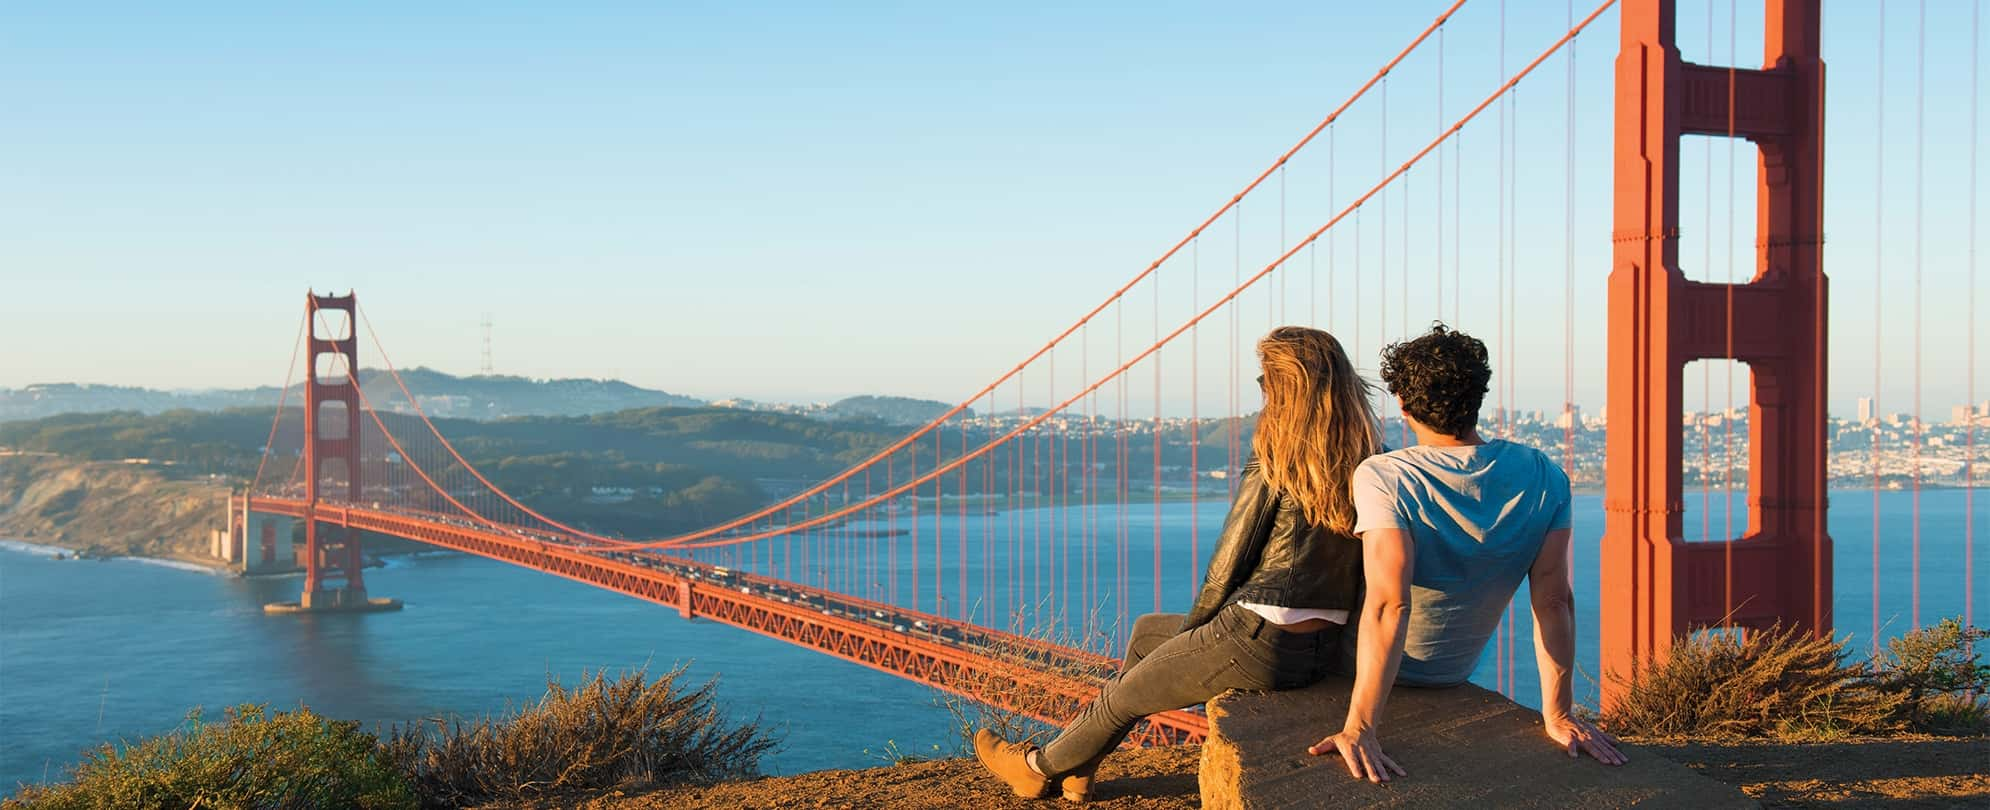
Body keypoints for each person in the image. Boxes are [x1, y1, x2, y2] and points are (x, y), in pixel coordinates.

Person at [974, 326, 1384, 802]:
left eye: (1264, 380)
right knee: (1150, 632)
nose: (1261, 391)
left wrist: (1196, 635)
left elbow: (1229, 562)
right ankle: (1082, 764)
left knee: (1122, 696)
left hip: (1259, 635)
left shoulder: (1278, 455)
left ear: (1284, 385)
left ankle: (1035, 768)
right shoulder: (1370, 456)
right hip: (1320, 643)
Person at [1305, 323, 1626, 783]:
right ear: (1478, 396)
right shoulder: (1545, 474)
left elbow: (1389, 604)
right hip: (1451, 671)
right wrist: (1558, 713)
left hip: (1352, 664)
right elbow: (1554, 601)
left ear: (1402, 403)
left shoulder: (1383, 475)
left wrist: (1360, 728)